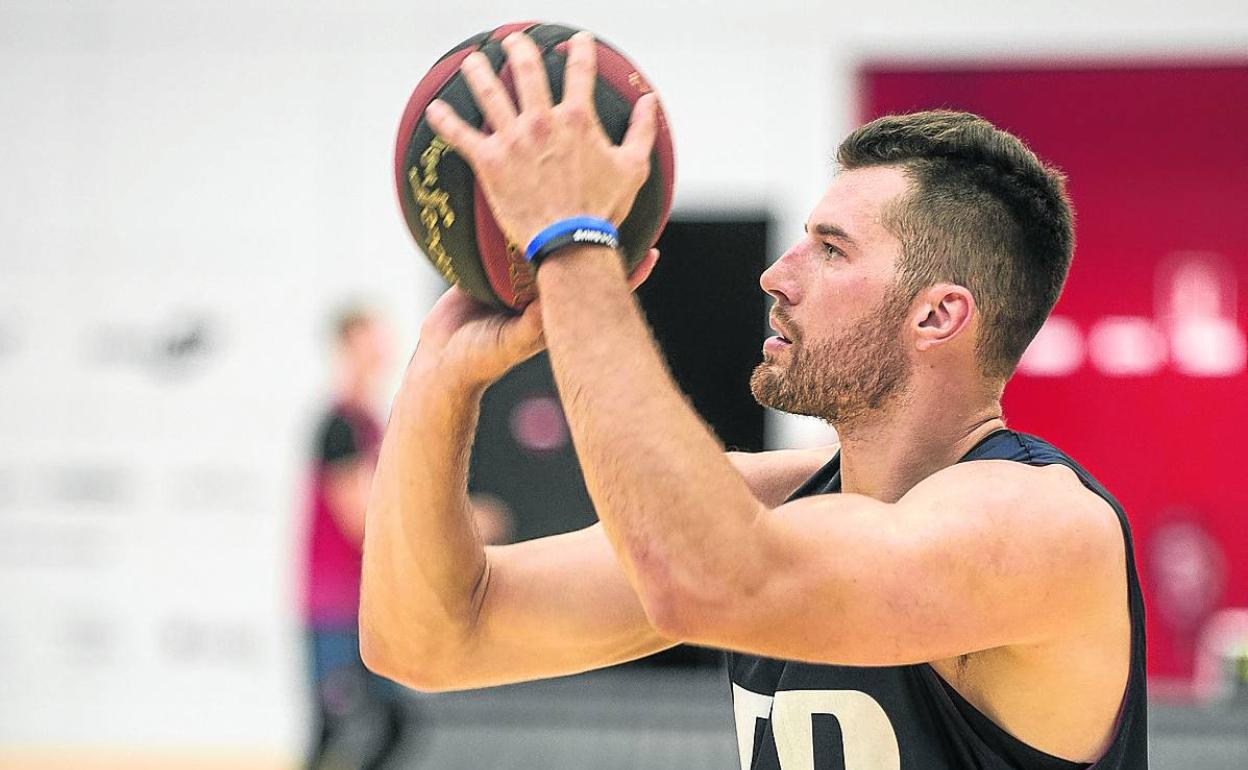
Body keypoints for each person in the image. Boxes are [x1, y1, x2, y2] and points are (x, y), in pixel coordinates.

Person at [360, 31, 1147, 769]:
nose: (777, 275)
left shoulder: (1044, 528)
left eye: (831, 250)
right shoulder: (774, 508)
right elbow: (427, 641)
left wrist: (574, 242)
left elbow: (705, 578)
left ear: (937, 315)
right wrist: (441, 375)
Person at [300, 307, 408, 770]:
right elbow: (358, 519)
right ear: (346, 348)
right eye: (370, 340)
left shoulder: (369, 425)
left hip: (364, 606)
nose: (380, 350)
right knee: (342, 725)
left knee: (389, 723)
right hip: (335, 607)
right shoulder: (339, 426)